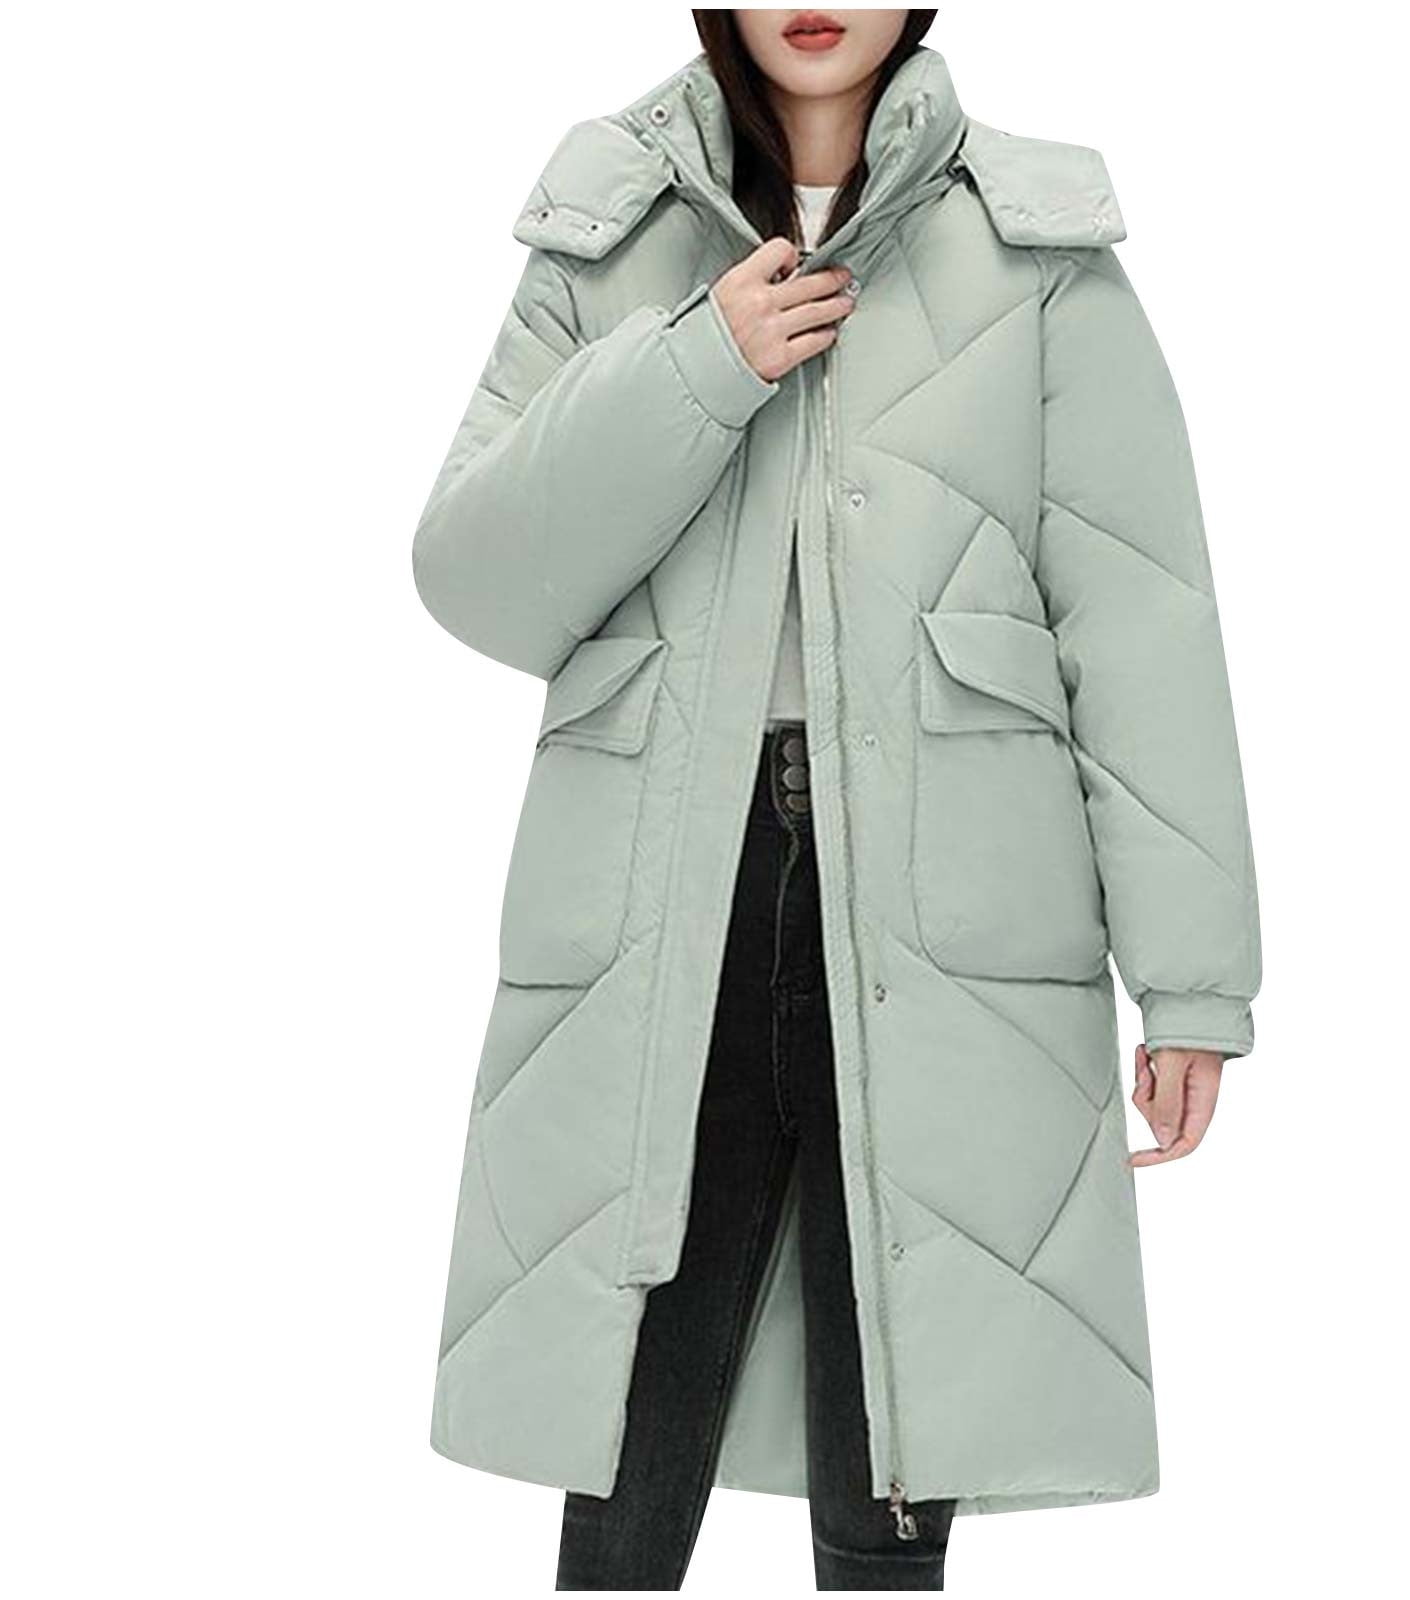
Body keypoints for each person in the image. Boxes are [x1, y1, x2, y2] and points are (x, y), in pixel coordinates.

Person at [411, 9, 1262, 1591]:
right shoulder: (610, 230)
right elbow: (479, 581)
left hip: (953, 902)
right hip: (669, 888)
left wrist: (1195, 979)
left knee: (899, 1411)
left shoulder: (1036, 250)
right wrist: (701, 364)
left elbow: (1141, 624)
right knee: (630, 1423)